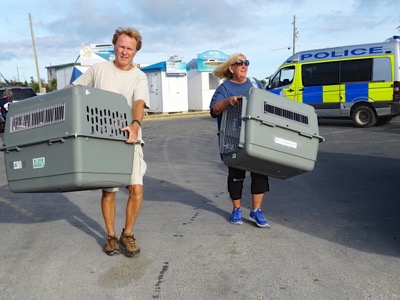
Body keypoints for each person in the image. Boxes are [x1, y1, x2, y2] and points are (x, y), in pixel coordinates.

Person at [69, 27, 149, 257]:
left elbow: (139, 102)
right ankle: (112, 236)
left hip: (130, 138)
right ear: (115, 45)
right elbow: (74, 90)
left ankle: (128, 233)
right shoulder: (98, 70)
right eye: (122, 46)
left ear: (136, 51)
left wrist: (135, 125)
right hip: (103, 138)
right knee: (109, 191)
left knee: (136, 188)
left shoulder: (139, 76)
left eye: (130, 49)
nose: (125, 52)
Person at [209, 53, 270, 228]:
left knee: (260, 173)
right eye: (240, 63)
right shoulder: (225, 88)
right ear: (231, 68)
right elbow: (214, 110)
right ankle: (237, 209)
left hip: (256, 137)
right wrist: (228, 101)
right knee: (236, 175)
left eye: (246, 63)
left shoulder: (255, 83)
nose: (244, 65)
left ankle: (256, 210)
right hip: (233, 138)